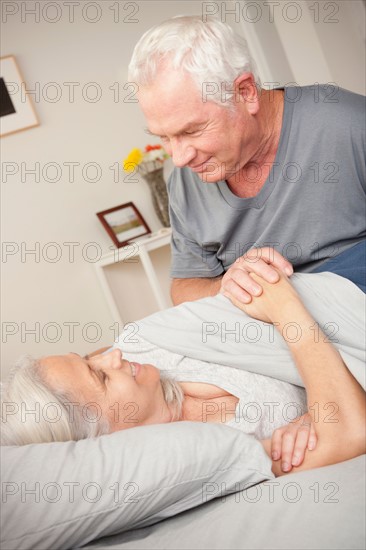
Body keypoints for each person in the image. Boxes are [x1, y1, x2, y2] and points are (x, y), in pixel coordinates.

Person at [1, 271, 365, 478]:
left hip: (346, 286)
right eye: (101, 378)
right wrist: (288, 311)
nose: (111, 356)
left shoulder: (144, 343)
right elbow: (348, 434)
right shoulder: (205, 458)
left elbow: (259, 291)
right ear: (105, 439)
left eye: (88, 357)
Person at [128, 16, 366, 306]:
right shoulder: (184, 183)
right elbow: (184, 288)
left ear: (246, 92)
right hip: (256, 326)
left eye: (191, 131)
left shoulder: (347, 124)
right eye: (164, 137)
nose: (178, 159)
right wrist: (225, 287)